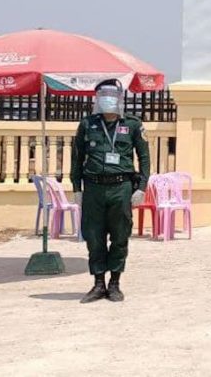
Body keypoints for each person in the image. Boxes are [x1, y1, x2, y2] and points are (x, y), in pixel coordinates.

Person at [71, 79, 150, 303]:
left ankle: (114, 284)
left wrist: (142, 188)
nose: (107, 99)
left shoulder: (133, 124)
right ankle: (98, 284)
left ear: (119, 98)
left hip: (121, 187)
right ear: (97, 99)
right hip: (94, 187)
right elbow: (77, 159)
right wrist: (77, 188)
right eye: (103, 95)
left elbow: (144, 158)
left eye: (111, 95)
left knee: (120, 235)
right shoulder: (87, 124)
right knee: (93, 236)